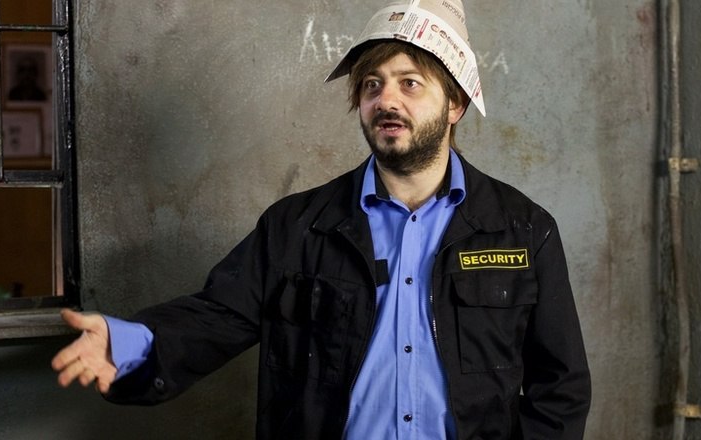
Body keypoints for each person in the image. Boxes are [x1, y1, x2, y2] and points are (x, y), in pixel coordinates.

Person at [52, 2, 591, 438]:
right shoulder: (295, 227)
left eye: (410, 83)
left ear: (455, 105)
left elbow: (560, 387)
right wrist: (129, 343)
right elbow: (217, 315)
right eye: (372, 84)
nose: (386, 100)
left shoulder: (525, 230)